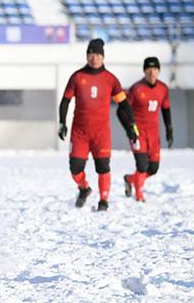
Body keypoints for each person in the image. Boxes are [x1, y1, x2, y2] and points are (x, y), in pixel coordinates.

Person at [58, 38, 138, 211]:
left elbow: (124, 105)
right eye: (91, 53)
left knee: (103, 167)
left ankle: (103, 200)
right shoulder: (77, 77)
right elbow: (65, 101)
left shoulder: (110, 80)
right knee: (75, 167)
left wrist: (132, 125)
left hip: (101, 134)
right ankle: (84, 188)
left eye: (97, 54)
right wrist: (62, 122)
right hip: (80, 132)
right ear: (87, 55)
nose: (94, 58)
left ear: (103, 57)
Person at [123, 57, 173, 202]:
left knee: (153, 168)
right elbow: (124, 109)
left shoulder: (163, 89)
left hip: (153, 133)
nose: (152, 73)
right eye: (149, 69)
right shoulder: (136, 89)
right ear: (144, 71)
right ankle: (139, 196)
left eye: (155, 69)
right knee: (142, 165)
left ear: (159, 71)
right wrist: (129, 128)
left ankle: (130, 179)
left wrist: (169, 129)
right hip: (138, 133)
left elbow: (166, 109)